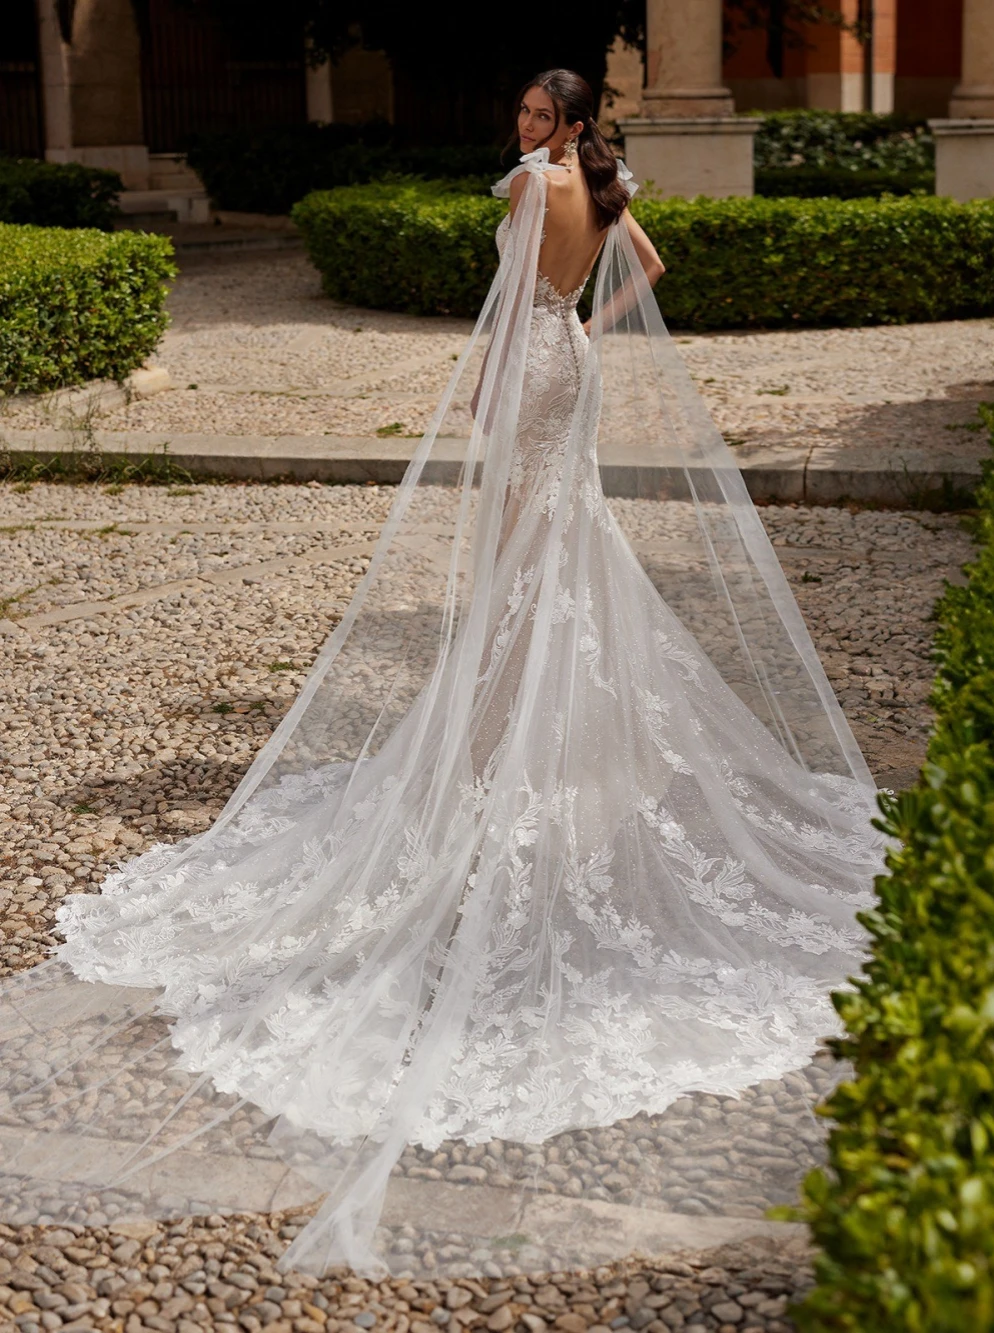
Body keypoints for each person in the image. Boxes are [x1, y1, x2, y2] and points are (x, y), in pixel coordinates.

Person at [0, 69, 884, 1281]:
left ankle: (503, 735)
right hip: (572, 364)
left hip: (530, 372)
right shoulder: (599, 185)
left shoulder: (531, 184)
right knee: (556, 555)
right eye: (519, 111)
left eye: (538, 113)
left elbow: (507, 293)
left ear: (567, 124)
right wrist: (577, 331)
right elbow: (645, 273)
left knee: (521, 560)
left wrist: (493, 371)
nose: (520, 128)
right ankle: (537, 722)